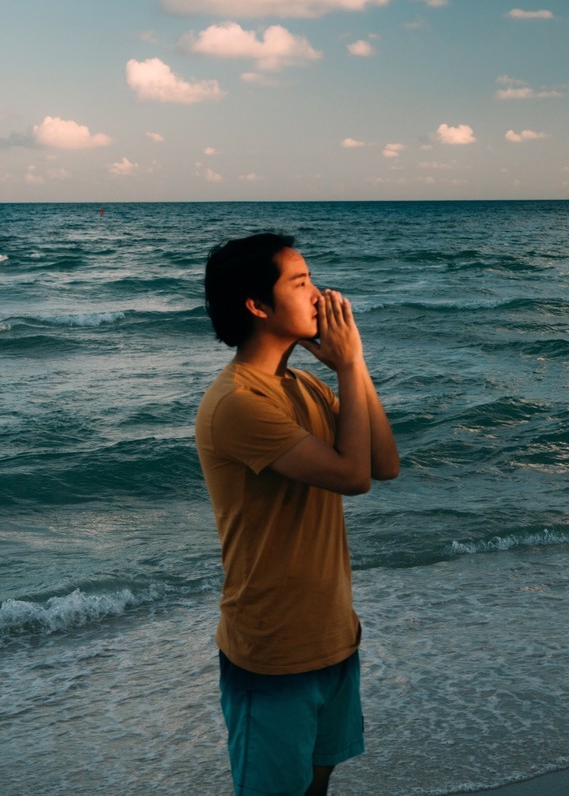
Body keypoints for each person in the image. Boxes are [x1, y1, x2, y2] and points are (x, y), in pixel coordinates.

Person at [195, 232, 399, 796]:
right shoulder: (239, 403)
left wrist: (350, 369)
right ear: (258, 306)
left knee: (316, 787)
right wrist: (350, 364)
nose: (320, 295)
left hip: (332, 636)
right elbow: (352, 477)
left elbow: (384, 463)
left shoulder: (302, 384)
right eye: (301, 283)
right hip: (273, 651)